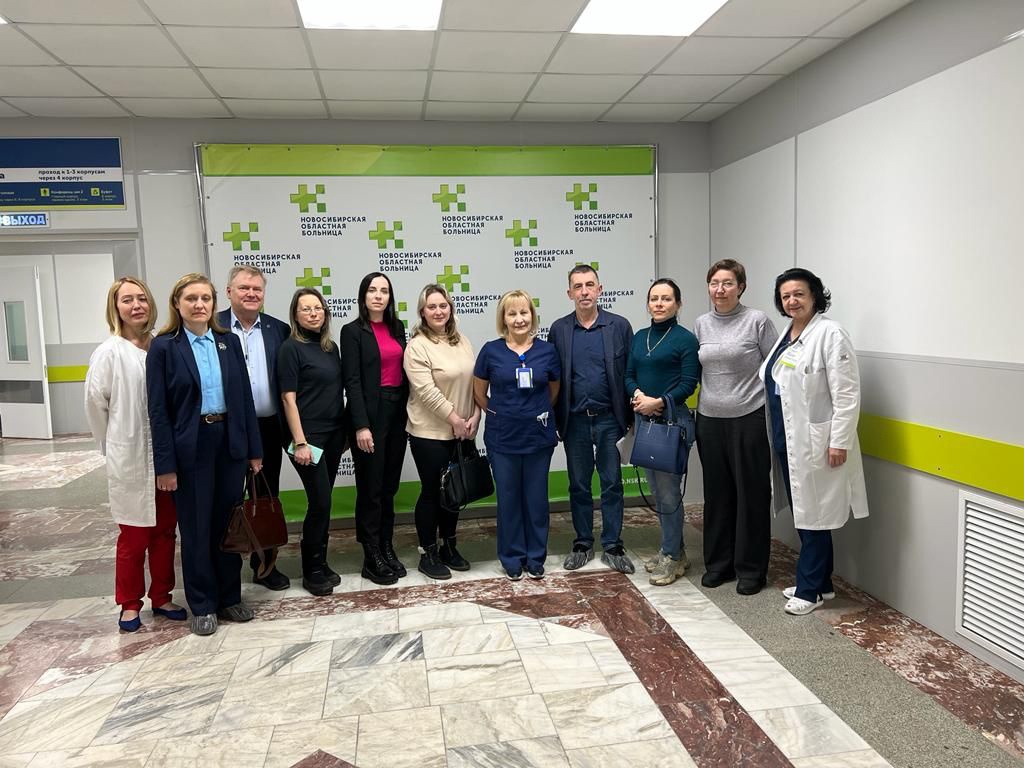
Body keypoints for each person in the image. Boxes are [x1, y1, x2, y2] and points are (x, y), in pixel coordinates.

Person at [147, 273, 262, 636]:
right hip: (191, 446)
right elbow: (158, 412)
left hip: (229, 442)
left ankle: (229, 597)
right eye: (191, 298)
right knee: (196, 528)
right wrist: (165, 466)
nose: (199, 305)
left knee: (229, 525)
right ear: (177, 304)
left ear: (214, 303)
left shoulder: (227, 342)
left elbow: (244, 399)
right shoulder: (164, 347)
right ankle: (202, 603)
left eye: (205, 299)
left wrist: (254, 450)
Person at [760, 268, 869, 615]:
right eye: (785, 296)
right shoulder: (788, 334)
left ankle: (809, 592)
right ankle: (823, 584)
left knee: (815, 517)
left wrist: (839, 442)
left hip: (818, 444)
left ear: (815, 296)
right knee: (807, 513)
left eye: (799, 294)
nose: (792, 301)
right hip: (788, 442)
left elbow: (847, 394)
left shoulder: (830, 333)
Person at [85, 277, 186, 633]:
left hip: (166, 457)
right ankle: (129, 603)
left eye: (142, 298)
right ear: (116, 308)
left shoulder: (163, 345)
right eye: (127, 300)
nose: (136, 305)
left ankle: (162, 596)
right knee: (133, 536)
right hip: (128, 454)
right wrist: (113, 444)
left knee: (164, 532)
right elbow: (96, 405)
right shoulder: (109, 352)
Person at [694, 259, 778, 595]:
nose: (720, 289)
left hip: (749, 417)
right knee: (717, 495)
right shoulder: (701, 323)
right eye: (714, 283)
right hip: (709, 420)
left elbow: (775, 369)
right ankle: (719, 564)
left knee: (751, 495)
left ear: (741, 287)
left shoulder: (757, 321)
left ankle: (751, 570)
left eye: (728, 283)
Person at [549, 265, 635, 574]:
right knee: (579, 485)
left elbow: (630, 373)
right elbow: (553, 378)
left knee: (612, 484)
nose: (584, 291)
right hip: (575, 422)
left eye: (589, 285)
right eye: (578, 286)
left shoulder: (619, 326)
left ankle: (612, 545)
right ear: (569, 293)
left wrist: (631, 417)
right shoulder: (559, 330)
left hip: (610, 420)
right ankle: (583, 543)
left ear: (600, 289)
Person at [473, 289, 560, 580]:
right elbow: (479, 393)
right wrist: (501, 413)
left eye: (524, 312)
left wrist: (533, 411)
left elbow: (554, 391)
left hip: (538, 438)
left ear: (532, 316)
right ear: (504, 318)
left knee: (536, 500)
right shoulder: (491, 351)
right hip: (503, 439)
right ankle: (511, 557)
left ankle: (535, 556)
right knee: (508, 500)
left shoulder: (547, 351)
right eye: (512, 313)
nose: (519, 319)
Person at [219, 265, 291, 591]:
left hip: (268, 428)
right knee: (229, 498)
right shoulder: (214, 327)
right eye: (244, 288)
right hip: (226, 429)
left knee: (265, 497)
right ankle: (226, 567)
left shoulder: (279, 329)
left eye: (257, 289)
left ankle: (265, 566)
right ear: (229, 292)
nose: (251, 294)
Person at [625, 278, 700, 587]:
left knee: (669, 493)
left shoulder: (686, 339)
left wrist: (659, 402)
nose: (659, 303)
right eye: (654, 298)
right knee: (657, 491)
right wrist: (639, 396)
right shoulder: (640, 337)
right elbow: (629, 375)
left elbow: (689, 382)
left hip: (673, 422)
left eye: (666, 299)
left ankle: (671, 554)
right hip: (645, 420)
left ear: (678, 304)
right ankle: (675, 550)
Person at [404, 284, 480, 580]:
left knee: (454, 492)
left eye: (443, 305)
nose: (438, 311)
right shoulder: (417, 346)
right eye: (432, 306)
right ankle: (428, 553)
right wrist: (455, 419)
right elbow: (426, 392)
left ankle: (449, 546)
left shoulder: (462, 341)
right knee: (432, 493)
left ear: (451, 308)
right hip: (430, 434)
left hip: (463, 431)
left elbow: (476, 383)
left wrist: (476, 415)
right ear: (422, 312)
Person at [341, 272, 409, 586]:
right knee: (371, 488)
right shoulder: (352, 331)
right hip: (371, 414)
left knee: (389, 487)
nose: (378, 296)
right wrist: (361, 426)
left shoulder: (398, 328)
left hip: (398, 412)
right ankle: (371, 556)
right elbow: (352, 382)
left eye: (384, 291)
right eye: (372, 290)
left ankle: (386, 546)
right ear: (363, 296)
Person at [278, 288, 345, 596]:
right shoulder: (290, 348)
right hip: (308, 438)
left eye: (318, 308)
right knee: (320, 502)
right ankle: (311, 570)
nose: (313, 313)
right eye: (306, 309)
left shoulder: (330, 348)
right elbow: (288, 398)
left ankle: (321, 560)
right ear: (295, 314)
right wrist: (300, 442)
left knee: (325, 500)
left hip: (334, 435)